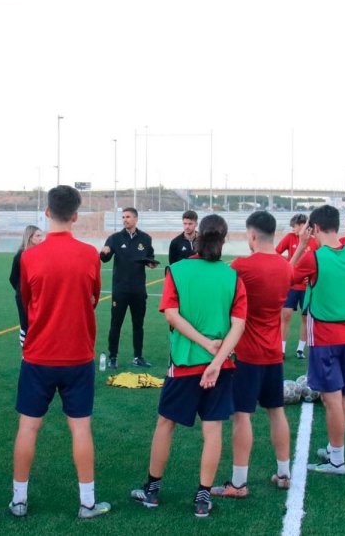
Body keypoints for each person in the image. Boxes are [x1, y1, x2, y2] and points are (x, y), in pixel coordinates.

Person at [131, 215, 247, 518]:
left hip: (184, 364)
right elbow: (238, 326)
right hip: (220, 369)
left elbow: (171, 314)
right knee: (213, 430)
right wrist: (216, 358)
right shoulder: (232, 276)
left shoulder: (179, 271)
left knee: (165, 425)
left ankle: (152, 491)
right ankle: (202, 498)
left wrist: (205, 346)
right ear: (224, 238)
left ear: (196, 236)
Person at [9, 186, 110, 520]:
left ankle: (19, 500)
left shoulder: (29, 256)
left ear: (48, 212)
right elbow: (94, 298)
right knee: (80, 429)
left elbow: (26, 300)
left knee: (28, 427)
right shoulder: (89, 254)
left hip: (38, 356)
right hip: (78, 356)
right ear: (76, 216)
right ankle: (87, 502)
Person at [289, 205, 345, 475]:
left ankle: (337, 461)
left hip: (325, 337)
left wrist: (300, 247)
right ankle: (334, 447)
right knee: (339, 395)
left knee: (330, 398)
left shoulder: (313, 257)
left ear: (313, 228)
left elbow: (283, 276)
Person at [212, 210, 294, 498]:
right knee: (277, 412)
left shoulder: (242, 266)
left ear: (252, 235)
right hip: (273, 352)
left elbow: (222, 294)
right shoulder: (286, 268)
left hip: (247, 354)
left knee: (242, 416)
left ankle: (238, 483)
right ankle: (284, 474)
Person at [100, 207, 158, 369]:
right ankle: (113, 357)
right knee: (115, 324)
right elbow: (105, 258)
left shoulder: (146, 238)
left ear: (136, 219)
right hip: (120, 290)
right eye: (123, 217)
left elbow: (149, 258)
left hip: (139, 290)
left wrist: (151, 263)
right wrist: (104, 253)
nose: (125, 219)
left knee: (138, 325)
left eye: (128, 217)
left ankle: (138, 357)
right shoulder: (115, 238)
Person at [275, 214, 316, 359]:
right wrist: (287, 263)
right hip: (291, 285)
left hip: (307, 288)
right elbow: (275, 253)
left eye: (295, 226)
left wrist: (310, 276)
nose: (293, 229)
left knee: (306, 318)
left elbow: (318, 262)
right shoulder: (289, 238)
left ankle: (300, 349)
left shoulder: (314, 241)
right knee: (285, 315)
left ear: (304, 225)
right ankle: (282, 349)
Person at [8, 225, 44, 349]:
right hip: (23, 297)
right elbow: (13, 278)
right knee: (25, 324)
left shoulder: (41, 254)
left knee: (39, 324)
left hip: (39, 296)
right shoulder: (20, 256)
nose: (41, 238)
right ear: (29, 237)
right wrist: (22, 291)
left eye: (41, 235)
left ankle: (38, 350)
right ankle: (26, 352)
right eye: (38, 236)